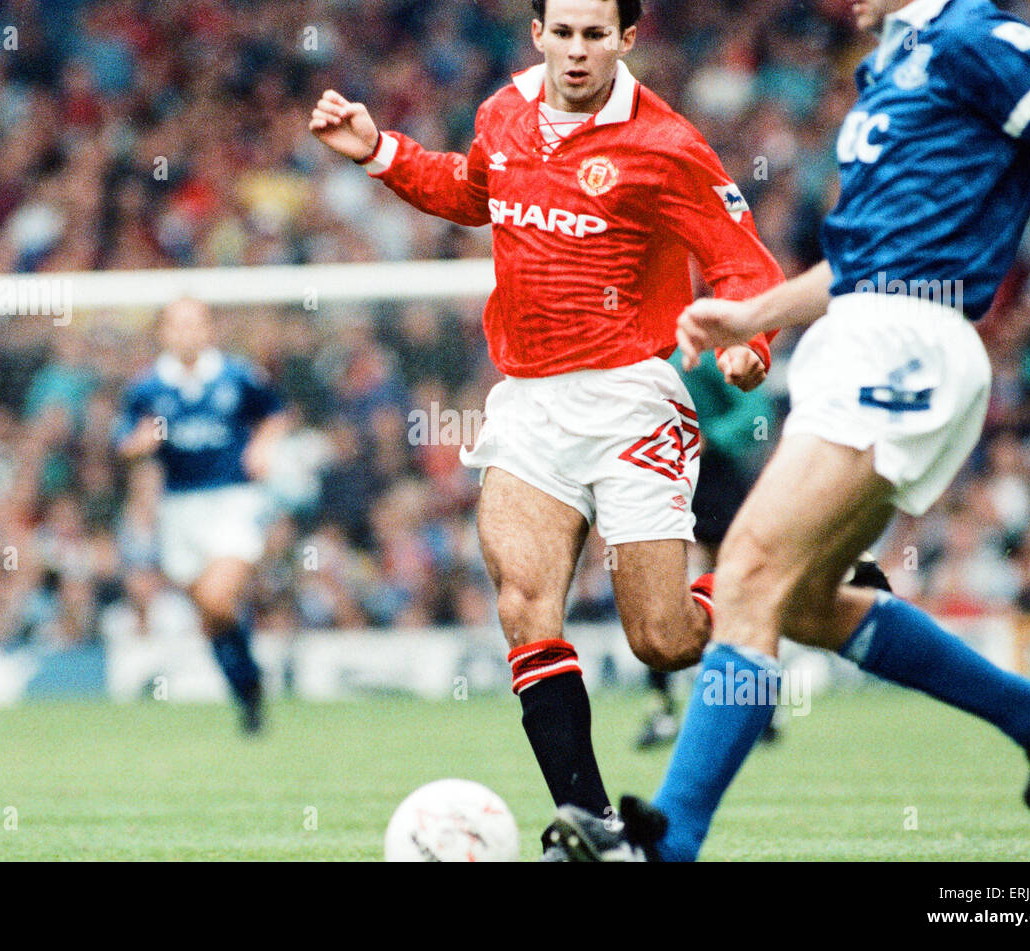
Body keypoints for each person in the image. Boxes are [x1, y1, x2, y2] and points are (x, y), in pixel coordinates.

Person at [550, 0, 1030, 861]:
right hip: (856, 333)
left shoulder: (976, 35)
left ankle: (666, 843)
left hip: (906, 343)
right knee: (804, 599)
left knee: (745, 573)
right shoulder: (886, 67)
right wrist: (750, 315)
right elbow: (857, 263)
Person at [310, 0, 784, 859]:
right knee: (526, 605)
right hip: (528, 400)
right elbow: (475, 191)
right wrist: (381, 153)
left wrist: (751, 341)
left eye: (594, 34)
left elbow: (741, 257)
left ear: (626, 39)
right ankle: (596, 824)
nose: (575, 50)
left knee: (664, 638)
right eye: (561, 32)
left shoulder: (666, 145)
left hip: (634, 394)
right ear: (537, 33)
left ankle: (783, 575)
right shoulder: (504, 111)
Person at [116, 298, 291, 734]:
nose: (186, 333)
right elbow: (124, 440)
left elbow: (274, 414)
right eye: (176, 325)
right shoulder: (148, 388)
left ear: (209, 329)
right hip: (179, 510)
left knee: (216, 598)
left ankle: (249, 687)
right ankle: (248, 691)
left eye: (194, 324)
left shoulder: (237, 376)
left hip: (233, 500)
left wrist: (262, 445)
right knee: (212, 616)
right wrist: (141, 443)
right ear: (164, 333)